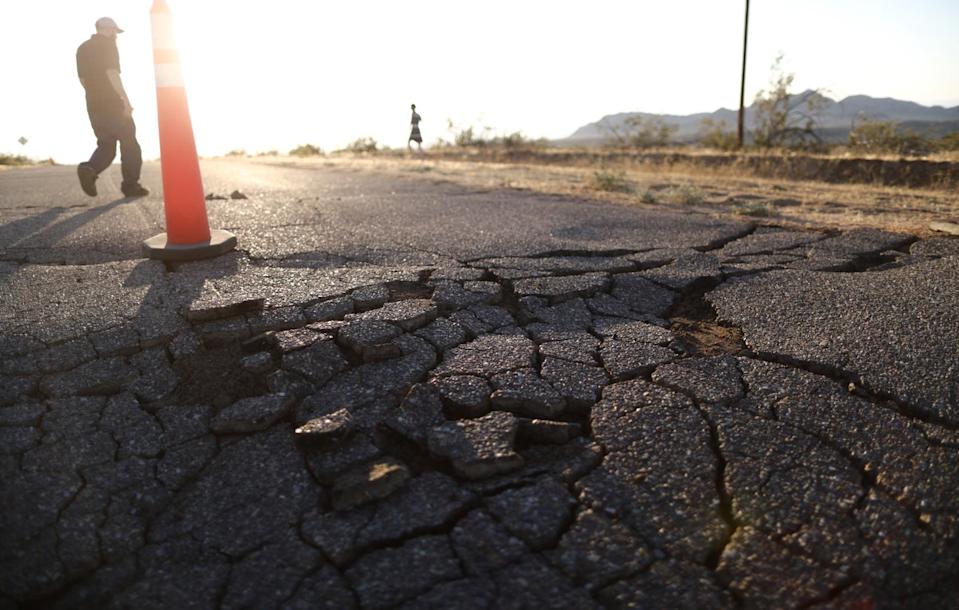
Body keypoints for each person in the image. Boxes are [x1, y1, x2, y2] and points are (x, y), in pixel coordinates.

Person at [76, 17, 149, 198]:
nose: (116, 35)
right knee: (130, 144)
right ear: (108, 29)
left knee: (107, 144)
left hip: (93, 104)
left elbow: (82, 80)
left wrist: (95, 96)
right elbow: (112, 72)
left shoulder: (82, 48)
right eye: (115, 31)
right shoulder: (108, 46)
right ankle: (131, 186)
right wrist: (124, 99)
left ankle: (89, 168)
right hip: (113, 102)